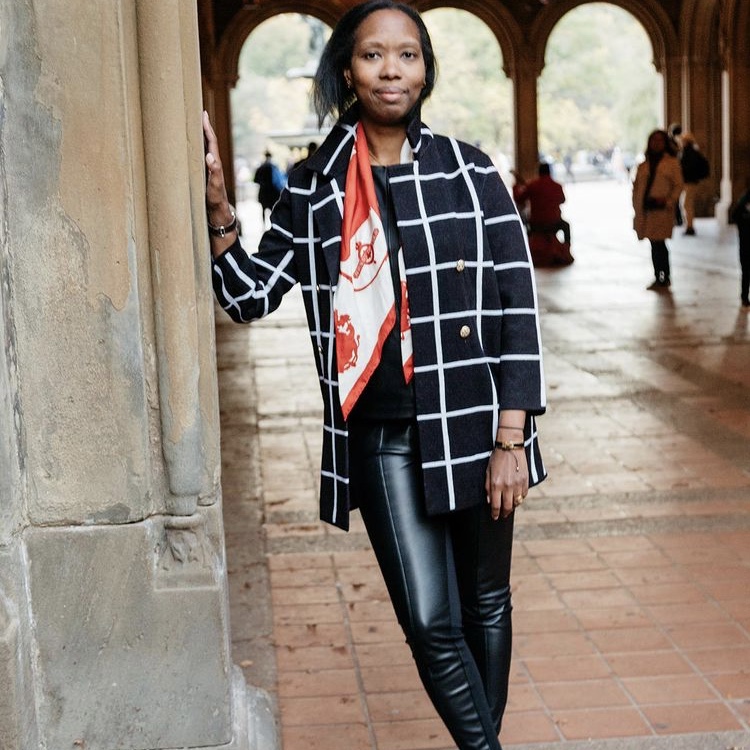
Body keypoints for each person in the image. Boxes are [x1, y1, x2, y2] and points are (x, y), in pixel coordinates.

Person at [203, 2, 546, 748]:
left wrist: (512, 437)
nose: (392, 70)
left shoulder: (469, 168)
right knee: (430, 617)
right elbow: (250, 295)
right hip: (384, 432)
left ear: (425, 69)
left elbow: (518, 304)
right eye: (372, 56)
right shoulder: (316, 184)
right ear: (347, 72)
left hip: (478, 424)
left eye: (408, 55)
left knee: (487, 601)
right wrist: (221, 214)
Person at [632, 129, 683, 290]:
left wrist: (669, 201)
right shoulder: (644, 165)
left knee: (659, 242)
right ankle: (658, 276)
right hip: (647, 209)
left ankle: (664, 276)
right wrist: (636, 205)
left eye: (660, 140)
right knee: (654, 243)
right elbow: (637, 187)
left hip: (662, 209)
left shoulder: (672, 163)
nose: (656, 143)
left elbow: (678, 185)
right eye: (653, 140)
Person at [512, 163, 573, 266]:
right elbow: (562, 200)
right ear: (550, 172)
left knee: (526, 226)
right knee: (566, 226)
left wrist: (516, 185)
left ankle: (529, 251)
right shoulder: (557, 186)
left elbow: (519, 199)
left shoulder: (532, 185)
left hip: (536, 224)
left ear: (538, 172)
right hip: (555, 223)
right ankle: (567, 251)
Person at [678, 132, 710, 235]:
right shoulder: (690, 152)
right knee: (686, 204)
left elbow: (687, 167)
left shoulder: (689, 153)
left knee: (687, 204)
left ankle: (690, 226)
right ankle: (688, 225)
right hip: (689, 181)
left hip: (690, 182)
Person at [730, 179, 750, 308]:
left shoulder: (744, 200)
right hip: (746, 241)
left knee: (746, 271)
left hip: (745, 241)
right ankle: (744, 297)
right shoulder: (744, 201)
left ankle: (744, 297)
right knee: (746, 270)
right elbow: (735, 216)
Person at [252, 150, 284, 225]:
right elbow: (278, 181)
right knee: (273, 209)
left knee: (263, 209)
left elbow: (255, 180)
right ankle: (273, 224)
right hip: (272, 193)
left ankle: (263, 224)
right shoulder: (274, 167)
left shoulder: (260, 167)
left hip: (263, 192)